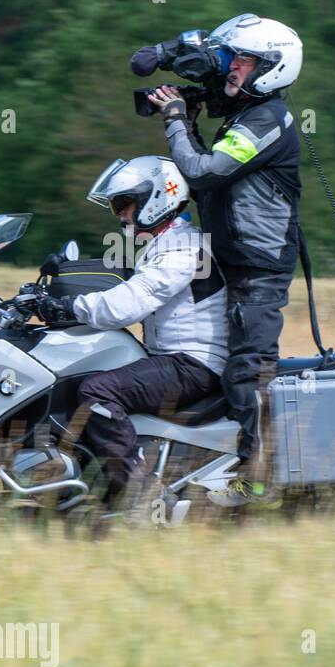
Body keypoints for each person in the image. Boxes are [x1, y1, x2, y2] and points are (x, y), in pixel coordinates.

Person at [146, 14, 303, 500]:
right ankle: (198, 459)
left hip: (257, 266)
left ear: (271, 68)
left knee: (248, 369)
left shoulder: (265, 121)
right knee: (194, 355)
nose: (232, 67)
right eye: (232, 57)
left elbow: (203, 173)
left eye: (243, 59)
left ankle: (259, 481)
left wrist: (175, 121)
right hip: (224, 256)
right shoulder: (243, 113)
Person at [35, 156, 227, 507]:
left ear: (156, 199)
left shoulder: (184, 248)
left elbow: (135, 300)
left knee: (98, 391)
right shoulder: (166, 243)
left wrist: (70, 307)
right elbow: (119, 284)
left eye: (124, 205)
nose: (120, 215)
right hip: (174, 357)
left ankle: (141, 496)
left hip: (193, 364)